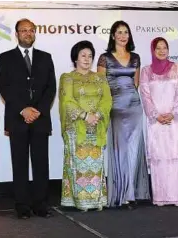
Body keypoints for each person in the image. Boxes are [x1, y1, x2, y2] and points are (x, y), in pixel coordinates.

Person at [0, 18, 56, 219]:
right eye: (24, 30)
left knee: (41, 163)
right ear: (16, 34)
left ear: (35, 33)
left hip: (40, 119)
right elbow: (4, 87)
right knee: (19, 164)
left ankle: (41, 204)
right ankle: (22, 205)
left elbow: (51, 88)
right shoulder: (6, 58)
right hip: (17, 118)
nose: (28, 33)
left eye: (31, 30)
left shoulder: (46, 57)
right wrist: (23, 109)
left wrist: (37, 110)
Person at [97, 20, 150, 209]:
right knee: (121, 150)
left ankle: (131, 194)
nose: (122, 35)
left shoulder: (135, 57)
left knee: (134, 150)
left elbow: (136, 84)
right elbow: (101, 86)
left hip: (135, 106)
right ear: (113, 36)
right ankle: (121, 193)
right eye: (119, 32)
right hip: (115, 107)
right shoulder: (104, 58)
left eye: (125, 32)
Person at [59, 40, 112, 211]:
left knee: (95, 166)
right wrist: (84, 115)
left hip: (96, 126)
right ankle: (79, 201)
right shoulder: (68, 78)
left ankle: (96, 200)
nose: (87, 59)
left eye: (90, 56)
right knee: (78, 166)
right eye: (83, 55)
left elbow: (107, 100)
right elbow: (67, 101)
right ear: (75, 58)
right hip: (76, 128)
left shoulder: (100, 78)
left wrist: (97, 115)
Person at [139, 37, 178, 207]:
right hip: (155, 122)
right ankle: (160, 197)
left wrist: (173, 113)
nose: (161, 50)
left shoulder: (177, 68)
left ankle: (177, 196)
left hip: (174, 121)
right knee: (159, 157)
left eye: (164, 47)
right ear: (153, 50)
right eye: (158, 48)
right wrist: (155, 115)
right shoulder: (146, 71)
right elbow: (145, 95)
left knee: (174, 156)